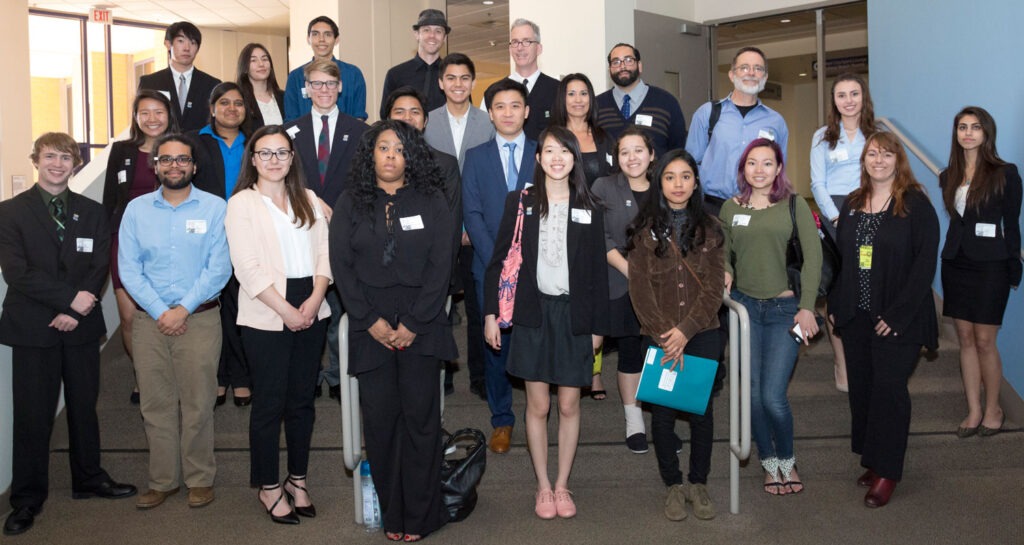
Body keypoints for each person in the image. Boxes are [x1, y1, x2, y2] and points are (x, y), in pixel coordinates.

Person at [1, 133, 137, 537]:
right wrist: (66, 304)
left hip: (80, 327)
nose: (58, 164)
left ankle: (88, 478)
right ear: (35, 161)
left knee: (83, 406)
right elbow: (17, 272)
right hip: (33, 328)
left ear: (76, 164)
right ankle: (26, 498)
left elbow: (98, 264)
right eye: (49, 157)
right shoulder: (10, 212)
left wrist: (78, 307)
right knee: (32, 416)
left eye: (66, 157)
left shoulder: (92, 211)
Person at [330, 120, 456, 541]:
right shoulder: (351, 202)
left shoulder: (433, 200)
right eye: (382, 148)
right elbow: (342, 267)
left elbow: (443, 264)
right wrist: (369, 320)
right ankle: (394, 515)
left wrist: (416, 323)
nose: (389, 156)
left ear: (411, 157)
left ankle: (420, 516)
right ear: (370, 155)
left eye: (399, 149)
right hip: (371, 323)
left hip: (422, 320)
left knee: (421, 423)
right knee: (381, 424)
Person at [483, 126, 608, 520]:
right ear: (538, 159)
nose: (557, 158)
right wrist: (490, 314)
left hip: (575, 317)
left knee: (569, 404)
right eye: (549, 151)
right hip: (532, 315)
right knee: (537, 405)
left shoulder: (591, 206)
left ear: (575, 159)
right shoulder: (520, 203)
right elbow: (498, 260)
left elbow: (597, 275)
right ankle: (542, 486)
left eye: (565, 151)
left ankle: (562, 484)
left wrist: (597, 327)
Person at [118, 133, 232, 510]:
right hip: (149, 321)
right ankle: (162, 480)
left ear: (194, 166)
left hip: (198, 319)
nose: (174, 166)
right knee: (156, 403)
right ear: (155, 165)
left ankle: (200, 479)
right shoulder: (136, 210)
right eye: (165, 160)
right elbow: (128, 269)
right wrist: (159, 311)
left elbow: (219, 268)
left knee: (199, 403)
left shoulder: (216, 208)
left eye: (182, 160)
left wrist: (181, 309)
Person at [225, 125, 332, 525]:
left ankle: (298, 480)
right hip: (267, 310)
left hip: (312, 303)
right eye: (265, 153)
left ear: (292, 159)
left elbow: (325, 254)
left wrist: (316, 299)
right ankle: (268, 485)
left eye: (281, 153)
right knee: (270, 402)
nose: (274, 160)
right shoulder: (241, 204)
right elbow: (247, 269)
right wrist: (288, 311)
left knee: (302, 401)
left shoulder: (307, 199)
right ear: (252, 159)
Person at [829, 131, 939, 508]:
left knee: (890, 391)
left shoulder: (915, 204)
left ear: (898, 160)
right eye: (872, 153)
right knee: (863, 391)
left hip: (900, 318)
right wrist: (836, 303)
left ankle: (888, 472)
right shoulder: (854, 203)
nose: (878, 160)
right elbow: (843, 259)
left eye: (886, 154)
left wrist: (897, 315)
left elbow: (925, 266)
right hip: (856, 315)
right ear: (864, 160)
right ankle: (874, 460)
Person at [627, 149, 725, 521]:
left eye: (685, 176)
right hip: (658, 335)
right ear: (659, 182)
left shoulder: (712, 228)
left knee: (701, 414)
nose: (678, 184)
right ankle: (673, 484)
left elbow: (714, 289)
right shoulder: (643, 228)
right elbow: (639, 289)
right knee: (664, 415)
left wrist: (685, 332)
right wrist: (665, 335)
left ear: (695, 182)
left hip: (702, 333)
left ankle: (698, 483)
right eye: (670, 177)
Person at [719, 138, 820, 496]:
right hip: (744, 310)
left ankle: (787, 458)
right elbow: (723, 252)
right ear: (742, 168)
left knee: (773, 396)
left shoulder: (794, 206)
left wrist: (807, 307)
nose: (758, 170)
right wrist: (727, 270)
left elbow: (813, 259)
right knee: (753, 396)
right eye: (751, 163)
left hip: (785, 312)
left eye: (767, 163)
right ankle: (768, 462)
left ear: (779, 169)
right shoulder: (731, 209)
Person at [284, 58, 368, 402]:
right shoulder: (289, 131)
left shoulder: (361, 130)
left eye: (329, 84)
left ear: (340, 88)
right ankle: (309, 374)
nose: (323, 91)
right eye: (316, 84)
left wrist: (340, 208)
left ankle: (337, 375)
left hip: (345, 228)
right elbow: (283, 178)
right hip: (301, 228)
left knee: (340, 306)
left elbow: (365, 181)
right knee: (308, 304)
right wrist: (312, 200)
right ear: (306, 90)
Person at [462, 78, 537, 453]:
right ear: (489, 113)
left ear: (526, 110)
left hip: (539, 268)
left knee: (538, 340)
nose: (508, 113)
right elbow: (472, 212)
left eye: (515, 105)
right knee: (496, 344)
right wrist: (501, 262)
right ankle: (502, 419)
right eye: (500, 107)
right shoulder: (475, 156)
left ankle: (539, 414)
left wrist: (527, 260)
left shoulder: (545, 153)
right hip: (489, 266)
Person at [939, 106, 1021, 437]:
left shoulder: (1006, 173)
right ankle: (973, 410)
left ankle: (994, 408)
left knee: (986, 340)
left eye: (975, 127)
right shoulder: (947, 175)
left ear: (986, 133)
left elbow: (1012, 225)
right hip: (956, 263)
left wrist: (1014, 265)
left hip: (991, 265)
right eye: (962, 127)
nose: (968, 132)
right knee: (965, 339)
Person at [385, 86, 470, 397]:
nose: (407, 118)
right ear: (387, 118)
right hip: (383, 282)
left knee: (426, 375)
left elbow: (448, 231)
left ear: (424, 121)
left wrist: (435, 280)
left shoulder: (444, 165)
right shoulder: (373, 162)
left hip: (430, 283)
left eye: (415, 112)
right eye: (399, 111)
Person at [102, 89, 177, 405]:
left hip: (170, 243)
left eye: (158, 111)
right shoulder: (122, 151)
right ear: (135, 118)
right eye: (144, 112)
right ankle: (143, 374)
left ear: (168, 115)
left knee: (167, 312)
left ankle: (171, 373)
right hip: (126, 242)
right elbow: (109, 201)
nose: (152, 118)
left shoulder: (180, 149)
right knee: (130, 317)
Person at [810, 73, 877, 393]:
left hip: (872, 215)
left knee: (869, 287)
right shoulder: (823, 136)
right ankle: (841, 361)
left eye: (854, 93)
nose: (848, 100)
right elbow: (817, 183)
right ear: (833, 101)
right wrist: (836, 218)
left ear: (864, 97)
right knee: (838, 291)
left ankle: (868, 356)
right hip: (835, 217)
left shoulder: (878, 134)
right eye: (841, 95)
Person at [591, 127, 655, 451]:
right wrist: (629, 269)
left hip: (663, 289)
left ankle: (665, 419)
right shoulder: (604, 186)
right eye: (625, 152)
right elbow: (597, 235)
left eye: (639, 150)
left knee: (659, 352)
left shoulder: (665, 186)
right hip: (620, 283)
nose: (632, 157)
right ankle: (634, 418)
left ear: (651, 154)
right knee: (630, 351)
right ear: (617, 158)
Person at [189, 82, 253, 407]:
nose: (231, 109)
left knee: (240, 309)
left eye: (238, 103)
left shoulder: (253, 142)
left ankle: (240, 377)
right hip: (207, 237)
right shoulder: (195, 142)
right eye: (224, 103)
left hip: (246, 235)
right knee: (210, 311)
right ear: (212, 107)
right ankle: (217, 377)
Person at [552, 72, 614, 401]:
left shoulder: (604, 137)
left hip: (598, 227)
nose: (578, 99)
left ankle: (594, 370)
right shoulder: (555, 136)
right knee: (566, 296)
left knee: (593, 297)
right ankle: (567, 363)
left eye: (584, 94)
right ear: (562, 99)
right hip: (562, 226)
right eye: (571, 93)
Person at [687, 46, 788, 217]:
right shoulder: (708, 113)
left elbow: (779, 170)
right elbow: (689, 164)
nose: (751, 72)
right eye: (744, 67)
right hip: (712, 208)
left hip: (758, 208)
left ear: (765, 76)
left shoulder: (776, 122)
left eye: (758, 68)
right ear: (732, 75)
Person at [595, 43, 687, 158]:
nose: (622, 66)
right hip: (609, 176)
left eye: (628, 60)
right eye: (616, 62)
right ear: (609, 70)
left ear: (639, 65)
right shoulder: (596, 105)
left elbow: (677, 152)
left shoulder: (667, 102)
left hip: (655, 175)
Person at [138, 21, 221, 132]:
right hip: (161, 146)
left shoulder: (212, 84)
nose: (187, 48)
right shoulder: (150, 82)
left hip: (200, 147)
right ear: (168, 44)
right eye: (181, 41)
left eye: (193, 43)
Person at [485, 19, 559, 141]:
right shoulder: (493, 92)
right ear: (510, 49)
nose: (519, 48)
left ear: (539, 48)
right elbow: (487, 136)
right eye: (515, 42)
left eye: (526, 42)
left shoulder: (558, 90)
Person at [283, 16, 367, 122]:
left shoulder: (353, 74)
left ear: (336, 40)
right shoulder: (296, 76)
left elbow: (358, 116)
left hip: (347, 136)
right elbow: (291, 120)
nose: (321, 39)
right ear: (308, 39)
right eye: (315, 34)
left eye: (327, 34)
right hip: (305, 137)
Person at [423, 53, 495, 170]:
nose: (458, 84)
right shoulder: (427, 122)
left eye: (464, 78)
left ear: (473, 83)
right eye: (451, 78)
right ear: (441, 83)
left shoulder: (489, 123)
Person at [379, 9, 450, 120]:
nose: (432, 35)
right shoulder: (396, 74)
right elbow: (385, 115)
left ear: (444, 37)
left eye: (438, 31)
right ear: (417, 34)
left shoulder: (453, 75)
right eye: (426, 30)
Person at [237, 43, 285, 130]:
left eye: (265, 59)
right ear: (245, 67)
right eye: (253, 60)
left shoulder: (283, 97)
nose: (261, 64)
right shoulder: (240, 99)